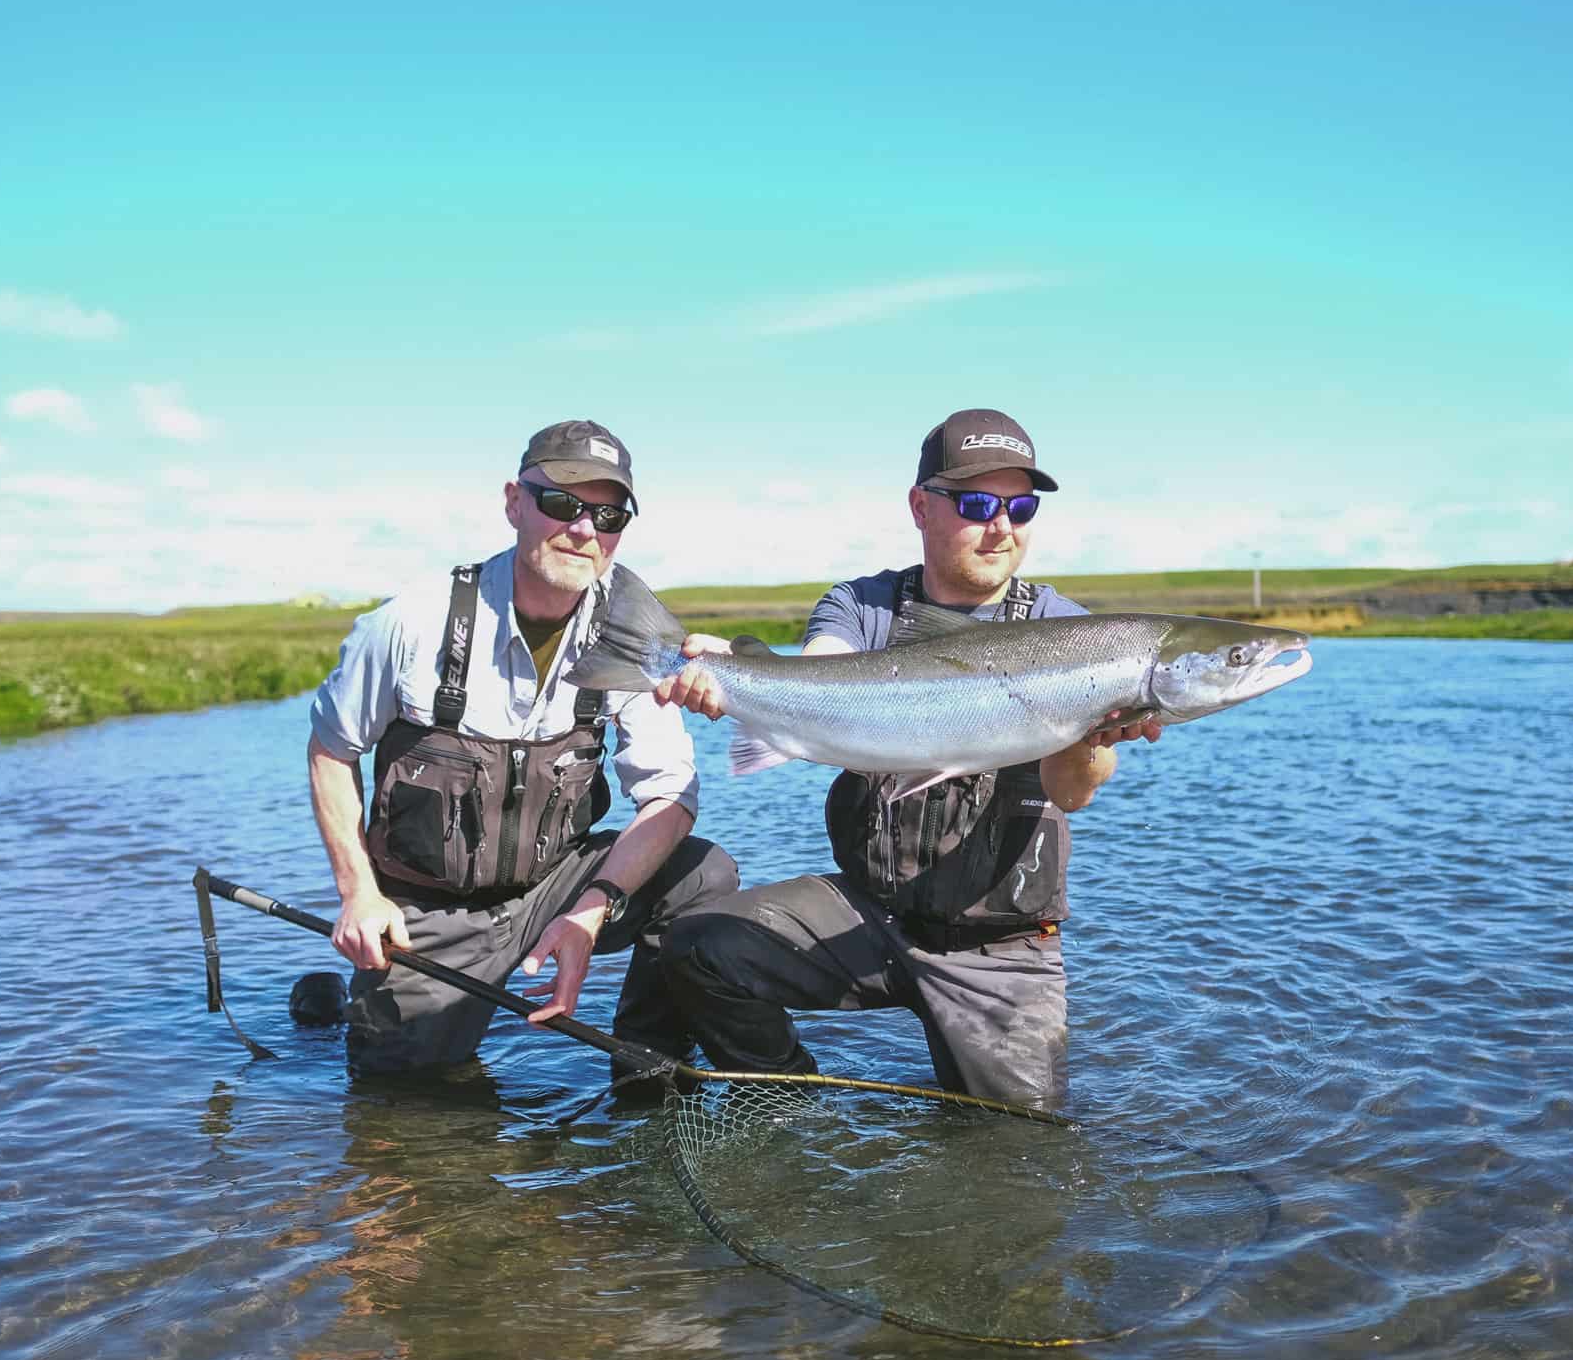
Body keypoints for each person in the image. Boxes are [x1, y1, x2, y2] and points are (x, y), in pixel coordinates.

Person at [656, 409, 1159, 1110]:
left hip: (1001, 947)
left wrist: (1089, 740)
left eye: (1021, 506)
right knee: (695, 948)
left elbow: (1072, 796)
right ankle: (787, 1100)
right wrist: (736, 675)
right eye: (979, 504)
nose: (1002, 525)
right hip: (869, 917)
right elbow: (819, 673)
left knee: (1015, 1156)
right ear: (921, 507)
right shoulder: (862, 607)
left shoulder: (1066, 630)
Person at [305, 419, 737, 1077]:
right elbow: (332, 751)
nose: (584, 530)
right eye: (560, 504)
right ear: (514, 502)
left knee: (703, 874)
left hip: (554, 889)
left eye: (609, 513)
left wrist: (590, 915)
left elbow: (670, 799)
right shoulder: (407, 625)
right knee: (400, 1105)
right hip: (429, 914)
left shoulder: (630, 639)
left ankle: (649, 1067)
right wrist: (358, 894)